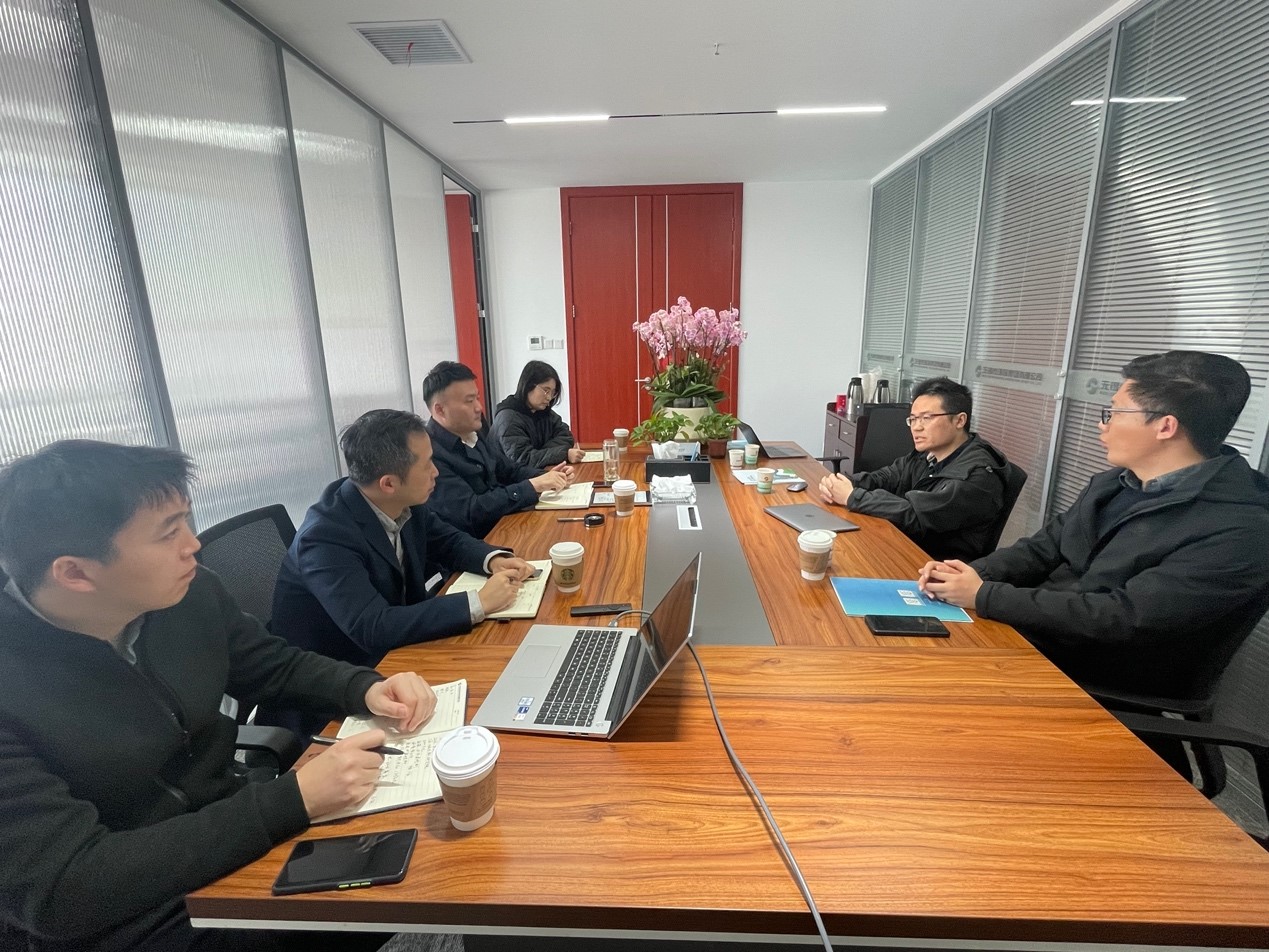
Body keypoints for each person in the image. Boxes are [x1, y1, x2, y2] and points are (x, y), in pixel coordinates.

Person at [0, 440, 439, 952]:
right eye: (168, 533)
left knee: (406, 855)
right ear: (75, 572)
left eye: (186, 522)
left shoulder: (187, 593)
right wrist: (291, 800)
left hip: (228, 818)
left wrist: (364, 687)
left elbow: (272, 665)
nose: (193, 545)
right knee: (358, 908)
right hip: (126, 910)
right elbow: (63, 888)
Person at [919, 351, 1269, 702]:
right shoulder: (1115, 483)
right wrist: (968, 575)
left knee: (920, 681)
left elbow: (1121, 617)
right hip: (1035, 635)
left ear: (1165, 426)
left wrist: (985, 595)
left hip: (1093, 678)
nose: (1103, 424)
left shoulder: (1240, 528)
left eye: (1114, 412)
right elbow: (1042, 548)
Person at [262, 409, 534, 734]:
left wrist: (492, 559)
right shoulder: (325, 537)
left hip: (398, 657)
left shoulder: (400, 501)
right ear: (389, 483)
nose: (436, 472)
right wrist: (478, 603)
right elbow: (373, 627)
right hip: (339, 691)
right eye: (427, 464)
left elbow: (446, 540)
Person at [818, 376, 1009, 561]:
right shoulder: (928, 454)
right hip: (905, 544)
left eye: (926, 418)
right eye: (913, 419)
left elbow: (915, 515)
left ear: (959, 421)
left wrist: (853, 496)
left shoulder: (977, 475)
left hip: (933, 564)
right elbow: (887, 476)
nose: (916, 427)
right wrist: (844, 484)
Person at [422, 360, 574, 538]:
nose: (479, 407)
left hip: (506, 522)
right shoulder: (430, 454)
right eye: (469, 401)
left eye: (477, 398)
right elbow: (471, 511)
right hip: (480, 539)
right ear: (440, 410)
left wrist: (546, 476)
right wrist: (533, 486)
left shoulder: (474, 431)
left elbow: (508, 469)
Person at [491, 360, 587, 468]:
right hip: (507, 477)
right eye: (546, 390)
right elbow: (524, 459)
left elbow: (566, 436)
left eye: (553, 392)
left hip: (537, 473)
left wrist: (541, 453)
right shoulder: (508, 419)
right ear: (528, 386)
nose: (549, 397)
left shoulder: (542, 411)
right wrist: (563, 454)